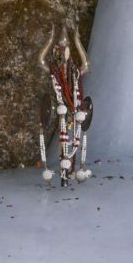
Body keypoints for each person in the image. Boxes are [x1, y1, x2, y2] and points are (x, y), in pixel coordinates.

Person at [37, 26, 93, 186]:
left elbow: (86, 64)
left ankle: (68, 173)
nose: (63, 53)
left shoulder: (74, 71)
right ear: (56, 51)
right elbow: (40, 61)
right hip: (60, 108)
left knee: (74, 140)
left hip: (74, 110)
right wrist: (49, 40)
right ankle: (63, 174)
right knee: (63, 141)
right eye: (60, 50)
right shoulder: (54, 71)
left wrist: (77, 41)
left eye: (65, 49)